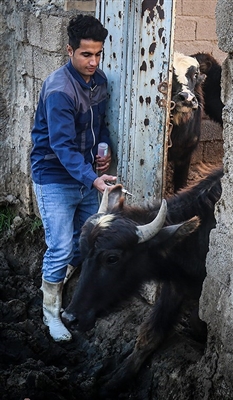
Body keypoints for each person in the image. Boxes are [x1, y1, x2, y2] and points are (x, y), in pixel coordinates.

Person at [30, 14, 116, 342]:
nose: (93, 62)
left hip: (85, 176)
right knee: (60, 246)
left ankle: (61, 284)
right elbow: (61, 147)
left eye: (98, 54)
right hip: (54, 176)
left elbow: (102, 125)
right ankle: (50, 314)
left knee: (84, 244)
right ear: (69, 50)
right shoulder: (58, 90)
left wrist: (104, 147)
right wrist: (92, 178)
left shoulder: (100, 82)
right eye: (86, 54)